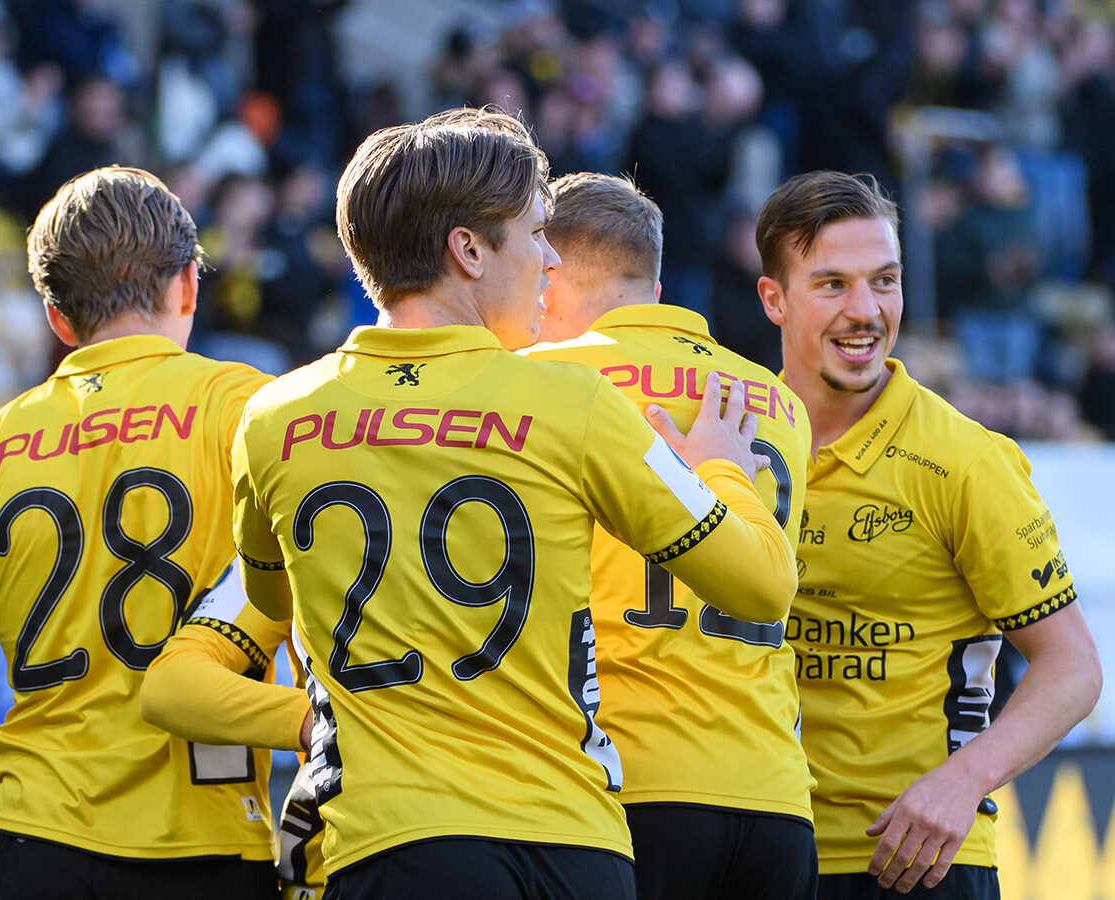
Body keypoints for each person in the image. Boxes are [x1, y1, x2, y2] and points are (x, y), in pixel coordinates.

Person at [230, 107, 798, 900]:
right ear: (468, 250)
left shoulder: (273, 417)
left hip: (392, 840)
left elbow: (273, 603)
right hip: (569, 844)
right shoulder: (576, 402)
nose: (550, 257)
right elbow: (763, 585)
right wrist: (721, 474)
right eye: (535, 233)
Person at [0, 166, 300, 900]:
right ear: (188, 284)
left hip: (30, 843)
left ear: (57, 319)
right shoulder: (257, 410)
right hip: (207, 845)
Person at [755, 170, 1102, 898]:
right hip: (763, 851)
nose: (866, 311)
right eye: (833, 285)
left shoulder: (966, 460)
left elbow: (1073, 668)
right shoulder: (730, 435)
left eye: (885, 281)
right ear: (773, 299)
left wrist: (964, 780)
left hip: (918, 861)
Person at [521, 171, 816, 900]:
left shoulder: (540, 386)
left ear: (547, 280)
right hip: (776, 793)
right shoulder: (780, 401)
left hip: (626, 781)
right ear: (653, 289)